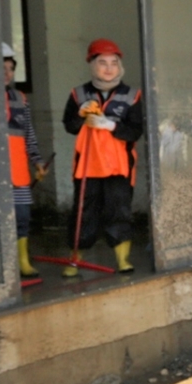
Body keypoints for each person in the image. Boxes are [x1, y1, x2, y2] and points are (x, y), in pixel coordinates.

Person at [61, 38, 144, 277]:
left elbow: (135, 130)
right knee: (83, 211)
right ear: (92, 65)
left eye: (114, 63)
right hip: (87, 166)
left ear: (120, 67)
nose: (108, 68)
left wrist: (110, 125)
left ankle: (123, 259)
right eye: (102, 63)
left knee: (119, 210)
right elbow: (70, 126)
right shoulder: (78, 94)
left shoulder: (132, 95)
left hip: (119, 166)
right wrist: (80, 114)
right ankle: (76, 258)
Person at [3, 43, 47, 278]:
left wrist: (37, 162)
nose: (6, 74)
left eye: (10, 69)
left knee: (22, 217)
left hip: (19, 171)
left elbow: (29, 135)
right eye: (1, 68)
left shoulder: (20, 98)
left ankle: (22, 261)